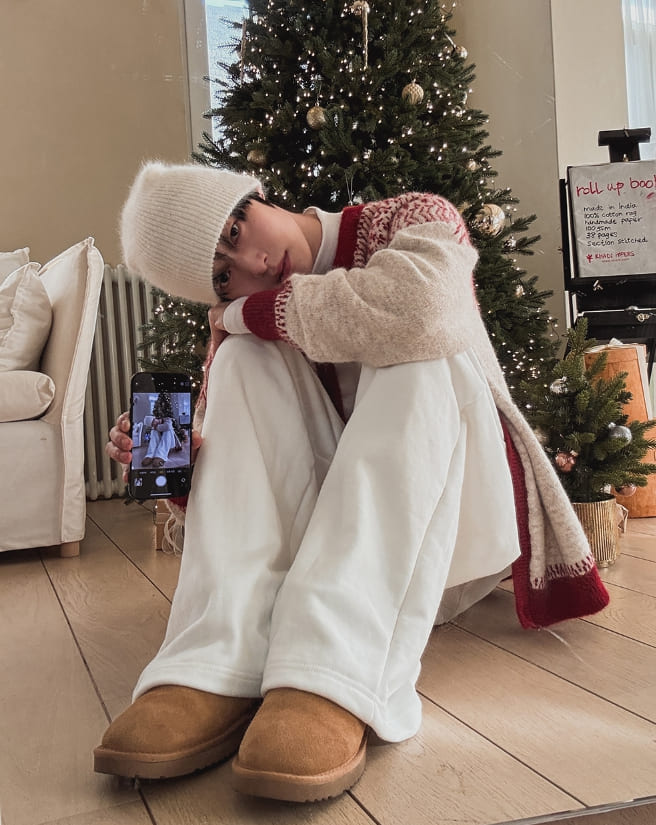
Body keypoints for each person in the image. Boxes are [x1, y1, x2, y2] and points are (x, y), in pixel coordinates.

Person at [96, 161, 608, 802]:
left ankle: (331, 672)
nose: (254, 264)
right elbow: (249, 479)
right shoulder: (244, 323)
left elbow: (422, 310)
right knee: (243, 362)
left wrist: (244, 315)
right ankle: (217, 661)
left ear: (256, 192)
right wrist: (181, 466)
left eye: (234, 229)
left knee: (417, 337)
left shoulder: (416, 218)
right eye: (222, 277)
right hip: (325, 542)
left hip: (442, 529)